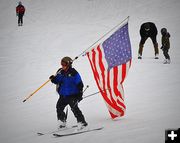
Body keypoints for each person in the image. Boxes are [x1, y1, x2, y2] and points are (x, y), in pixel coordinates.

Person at [49, 57, 88, 130]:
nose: (62, 66)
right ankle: (62, 123)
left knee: (74, 109)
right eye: (61, 64)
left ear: (69, 64)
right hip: (63, 95)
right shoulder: (60, 72)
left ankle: (82, 123)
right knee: (59, 107)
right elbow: (57, 81)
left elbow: (80, 84)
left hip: (72, 95)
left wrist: (80, 95)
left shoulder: (74, 73)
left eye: (64, 64)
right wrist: (53, 79)